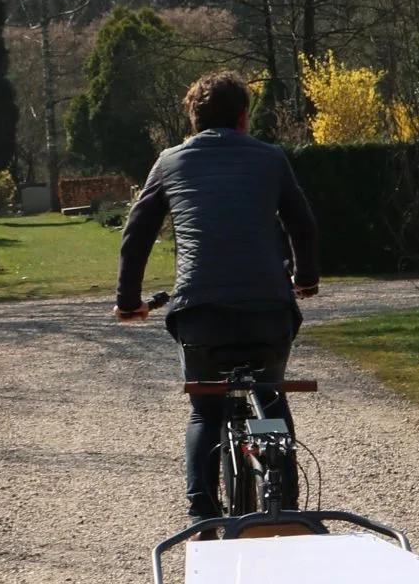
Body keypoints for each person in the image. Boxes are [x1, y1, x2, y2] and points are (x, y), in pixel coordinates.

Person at [114, 70, 320, 519]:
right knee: (270, 393)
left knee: (206, 411)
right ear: (244, 116)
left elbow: (137, 232)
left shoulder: (170, 162)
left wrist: (129, 301)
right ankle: (285, 505)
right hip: (268, 310)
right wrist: (305, 279)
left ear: (193, 119)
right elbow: (302, 223)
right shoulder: (271, 158)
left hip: (201, 314)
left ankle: (202, 518)